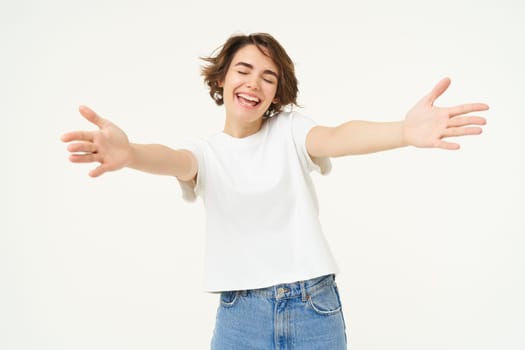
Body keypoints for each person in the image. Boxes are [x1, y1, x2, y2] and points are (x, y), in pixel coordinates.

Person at [61, 33, 488, 350]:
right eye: (243, 71)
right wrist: (130, 152)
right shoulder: (205, 152)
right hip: (239, 315)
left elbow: (338, 136)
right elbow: (173, 159)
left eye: (269, 78)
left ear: (276, 94)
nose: (254, 84)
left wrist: (403, 131)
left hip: (313, 308)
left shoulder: (290, 132)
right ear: (223, 80)